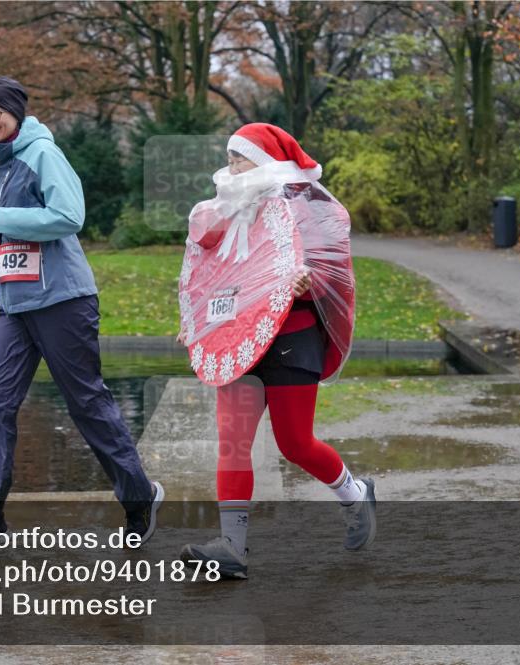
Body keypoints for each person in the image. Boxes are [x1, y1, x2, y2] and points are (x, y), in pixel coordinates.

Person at [0, 76, 163, 550]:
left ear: (16, 115)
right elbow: (23, 232)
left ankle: (139, 496)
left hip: (62, 301)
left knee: (86, 402)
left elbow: (68, 216)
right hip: (13, 304)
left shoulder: (41, 153)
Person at [176, 123, 373, 579]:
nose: (232, 167)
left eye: (240, 157)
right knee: (233, 443)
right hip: (239, 339)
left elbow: (334, 269)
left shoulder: (306, 206)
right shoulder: (223, 212)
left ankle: (355, 494)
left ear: (264, 160)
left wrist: (309, 280)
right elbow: (209, 275)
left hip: (292, 335)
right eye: (229, 157)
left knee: (295, 443)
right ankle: (232, 548)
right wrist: (198, 324)